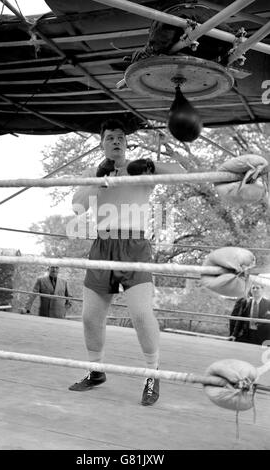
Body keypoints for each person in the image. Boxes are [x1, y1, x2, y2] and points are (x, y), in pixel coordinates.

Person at [68, 118, 185, 406]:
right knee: (89, 317)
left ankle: (152, 373)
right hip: (102, 246)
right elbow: (77, 206)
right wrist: (98, 177)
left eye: (120, 137)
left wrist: (150, 165)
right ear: (102, 143)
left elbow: (181, 172)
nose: (116, 141)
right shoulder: (94, 172)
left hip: (134, 247)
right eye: (110, 137)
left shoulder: (139, 171)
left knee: (141, 315)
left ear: (126, 143)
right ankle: (96, 372)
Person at [228, 280, 270, 345]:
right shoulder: (245, 303)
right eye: (253, 288)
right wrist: (234, 335)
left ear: (262, 290)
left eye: (257, 288)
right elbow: (240, 320)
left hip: (263, 337)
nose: (255, 290)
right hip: (247, 334)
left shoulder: (268, 303)